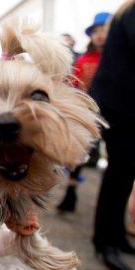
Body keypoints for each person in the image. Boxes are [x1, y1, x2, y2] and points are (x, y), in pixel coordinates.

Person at [90, 1, 135, 270]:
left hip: (123, 105)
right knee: (118, 177)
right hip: (121, 107)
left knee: (124, 175)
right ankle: (105, 242)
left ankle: (116, 235)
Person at [57, 12, 110, 213]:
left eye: (104, 30)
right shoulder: (83, 59)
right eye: (96, 31)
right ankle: (71, 192)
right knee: (79, 152)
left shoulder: (115, 60)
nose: (100, 35)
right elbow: (75, 84)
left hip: (110, 112)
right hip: (87, 111)